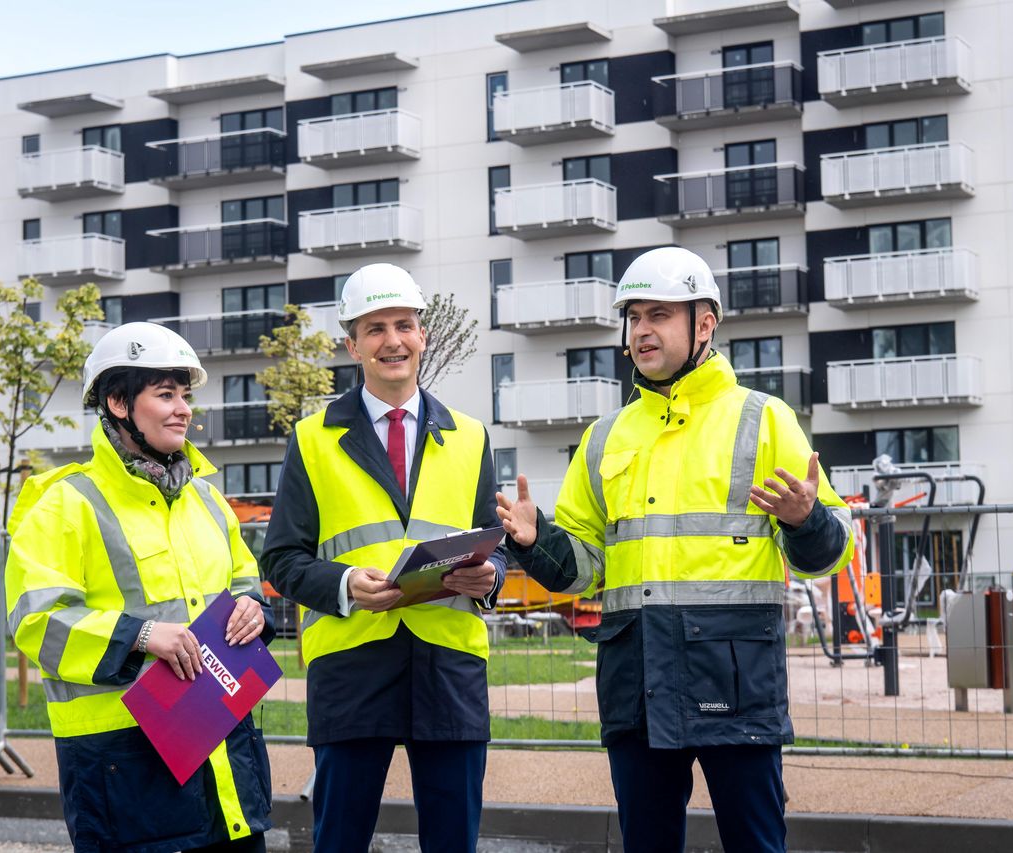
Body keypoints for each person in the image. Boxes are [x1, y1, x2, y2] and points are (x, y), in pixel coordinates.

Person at [496, 247, 855, 853]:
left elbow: (832, 550)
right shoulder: (604, 436)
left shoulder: (762, 420)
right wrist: (536, 544)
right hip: (637, 682)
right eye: (634, 316)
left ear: (704, 323)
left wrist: (805, 519)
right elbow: (585, 569)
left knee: (757, 845)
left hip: (735, 680)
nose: (641, 331)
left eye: (658, 314)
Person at [260, 263, 506, 853]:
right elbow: (283, 559)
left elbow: (491, 546)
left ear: (423, 335)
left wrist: (486, 578)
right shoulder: (312, 438)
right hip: (352, 662)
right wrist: (344, 583)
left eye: (404, 325)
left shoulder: (471, 436)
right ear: (352, 343)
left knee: (454, 842)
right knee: (340, 838)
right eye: (375, 329)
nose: (392, 340)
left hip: (449, 664)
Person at [4, 323, 273, 853]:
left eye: (185, 396)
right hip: (121, 759)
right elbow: (35, 621)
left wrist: (251, 605)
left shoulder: (208, 501)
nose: (183, 409)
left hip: (220, 740)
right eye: (165, 395)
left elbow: (243, 577)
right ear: (119, 403)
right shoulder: (64, 504)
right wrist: (142, 635)